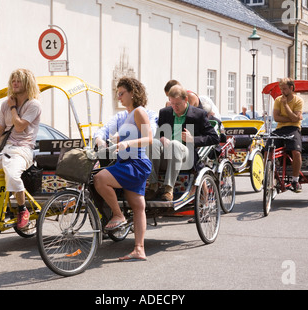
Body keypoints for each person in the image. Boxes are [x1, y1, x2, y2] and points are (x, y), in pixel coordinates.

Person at [93, 77, 153, 261]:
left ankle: (118, 215)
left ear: (132, 93)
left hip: (135, 162)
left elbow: (149, 138)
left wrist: (127, 143)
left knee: (100, 178)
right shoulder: (128, 114)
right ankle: (139, 249)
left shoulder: (139, 111)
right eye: (117, 94)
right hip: (127, 162)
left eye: (121, 93)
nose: (119, 97)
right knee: (138, 206)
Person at [0, 68, 42, 228]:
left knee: (12, 174)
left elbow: (18, 127)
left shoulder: (33, 104)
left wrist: (13, 107)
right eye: (13, 81)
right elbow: (1, 128)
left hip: (22, 148)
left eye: (19, 81)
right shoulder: (5, 104)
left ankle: (23, 210)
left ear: (27, 83)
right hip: (4, 148)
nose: (15, 83)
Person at [146, 84, 219, 201]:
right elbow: (158, 134)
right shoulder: (165, 112)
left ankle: (168, 189)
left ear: (186, 100)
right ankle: (153, 185)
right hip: (166, 155)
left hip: (186, 156)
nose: (174, 107)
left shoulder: (198, 114)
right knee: (153, 143)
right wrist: (161, 138)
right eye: (172, 103)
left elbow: (214, 138)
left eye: (178, 104)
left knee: (175, 144)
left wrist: (192, 139)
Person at [265, 78, 303, 192]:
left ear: (291, 88)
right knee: (267, 150)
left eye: (284, 89)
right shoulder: (278, 100)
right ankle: (268, 176)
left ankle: (295, 180)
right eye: (281, 89)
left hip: (294, 129)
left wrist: (286, 106)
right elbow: (276, 118)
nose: (282, 91)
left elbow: (295, 120)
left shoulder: (298, 100)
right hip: (280, 129)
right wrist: (292, 118)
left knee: (296, 152)